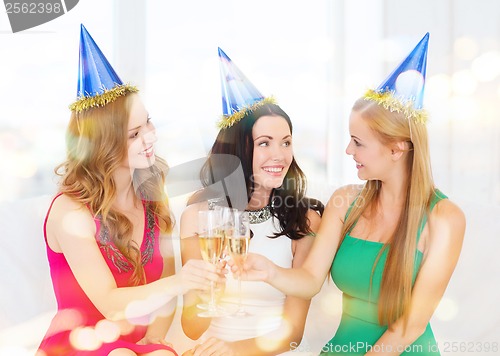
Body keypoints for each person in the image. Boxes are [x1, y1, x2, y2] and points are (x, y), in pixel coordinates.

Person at [235, 33, 466, 355]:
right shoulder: (346, 201)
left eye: (358, 142)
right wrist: (270, 271)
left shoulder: (445, 218)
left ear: (397, 148)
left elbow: (411, 325)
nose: (348, 150)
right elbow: (311, 280)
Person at [37, 24, 221, 356]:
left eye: (148, 123)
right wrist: (181, 282)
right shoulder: (70, 212)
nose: (149, 137)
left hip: (132, 345)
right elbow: (109, 304)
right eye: (134, 134)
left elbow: (164, 287)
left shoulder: (151, 195)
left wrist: (155, 338)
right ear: (102, 145)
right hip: (79, 342)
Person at [179, 48, 323, 356]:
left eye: (286, 142)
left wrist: (234, 350)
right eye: (264, 143)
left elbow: (293, 335)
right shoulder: (200, 214)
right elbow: (192, 327)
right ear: (238, 150)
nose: (280, 155)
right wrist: (207, 287)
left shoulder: (305, 218)